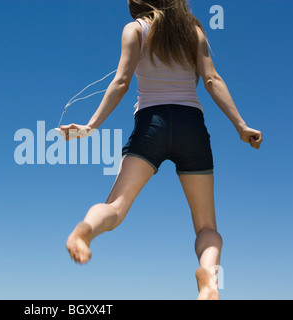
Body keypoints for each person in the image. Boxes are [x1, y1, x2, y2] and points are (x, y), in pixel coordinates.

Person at [60, 0, 263, 300]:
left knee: (116, 207)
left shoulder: (134, 30)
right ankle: (209, 277)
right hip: (190, 126)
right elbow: (211, 79)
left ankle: (86, 231)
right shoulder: (193, 31)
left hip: (150, 125)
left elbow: (121, 82)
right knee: (206, 226)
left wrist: (90, 127)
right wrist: (241, 125)